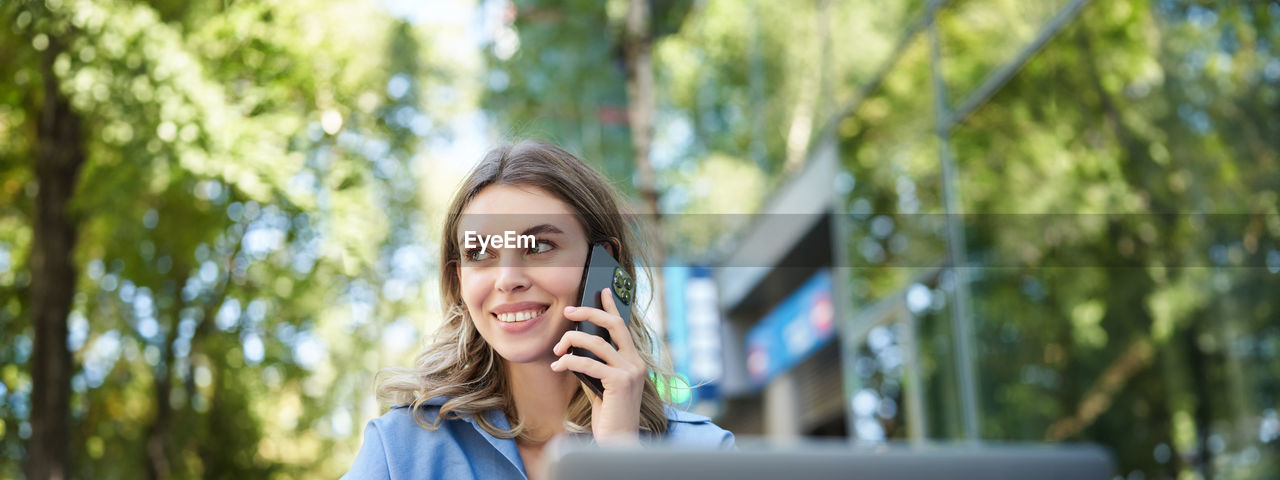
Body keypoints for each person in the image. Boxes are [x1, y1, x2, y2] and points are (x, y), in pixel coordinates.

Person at [343, 141, 734, 480]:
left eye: (539, 246)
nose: (507, 278)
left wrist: (620, 458)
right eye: (480, 253)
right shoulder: (400, 451)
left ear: (602, 264)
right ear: (458, 278)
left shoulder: (705, 453)